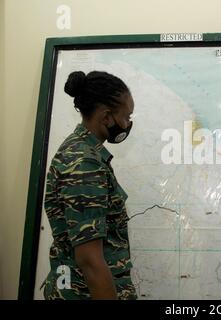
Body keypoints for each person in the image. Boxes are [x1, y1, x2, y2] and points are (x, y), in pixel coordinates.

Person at [42, 70, 136, 300]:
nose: (127, 124)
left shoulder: (83, 151)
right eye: (126, 116)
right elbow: (90, 261)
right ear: (106, 117)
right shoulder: (85, 164)